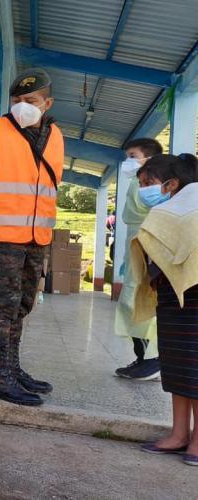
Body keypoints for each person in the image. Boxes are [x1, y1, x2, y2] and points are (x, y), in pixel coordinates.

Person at [0, 68, 63, 406]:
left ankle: (12, 368)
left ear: (47, 103)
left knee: (23, 304)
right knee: (3, 305)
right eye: (16, 101)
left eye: (31, 101)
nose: (22, 106)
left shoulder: (56, 135)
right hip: (1, 237)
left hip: (37, 237)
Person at [129, 153, 198, 466]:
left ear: (173, 183)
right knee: (176, 366)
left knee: (195, 368)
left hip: (194, 297)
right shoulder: (171, 209)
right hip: (171, 296)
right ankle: (179, 433)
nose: (145, 190)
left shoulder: (190, 208)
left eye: (149, 184)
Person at [114, 138, 163, 380]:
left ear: (149, 158)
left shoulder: (153, 184)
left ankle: (152, 359)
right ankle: (142, 357)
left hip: (146, 244)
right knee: (130, 303)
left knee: (140, 303)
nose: (128, 161)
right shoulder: (137, 181)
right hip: (135, 243)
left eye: (133, 155)